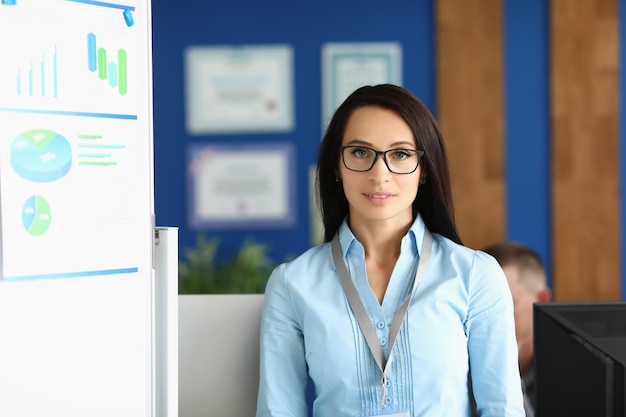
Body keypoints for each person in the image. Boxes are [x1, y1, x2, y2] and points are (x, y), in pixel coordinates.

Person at [256, 84, 524, 417]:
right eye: (359, 152)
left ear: (424, 168)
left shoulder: (475, 275)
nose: (379, 174)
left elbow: (502, 410)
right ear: (336, 166)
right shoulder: (292, 283)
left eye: (400, 154)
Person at [481, 241, 552, 417]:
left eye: (508, 304)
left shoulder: (571, 374)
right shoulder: (461, 370)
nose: (492, 319)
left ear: (541, 300)